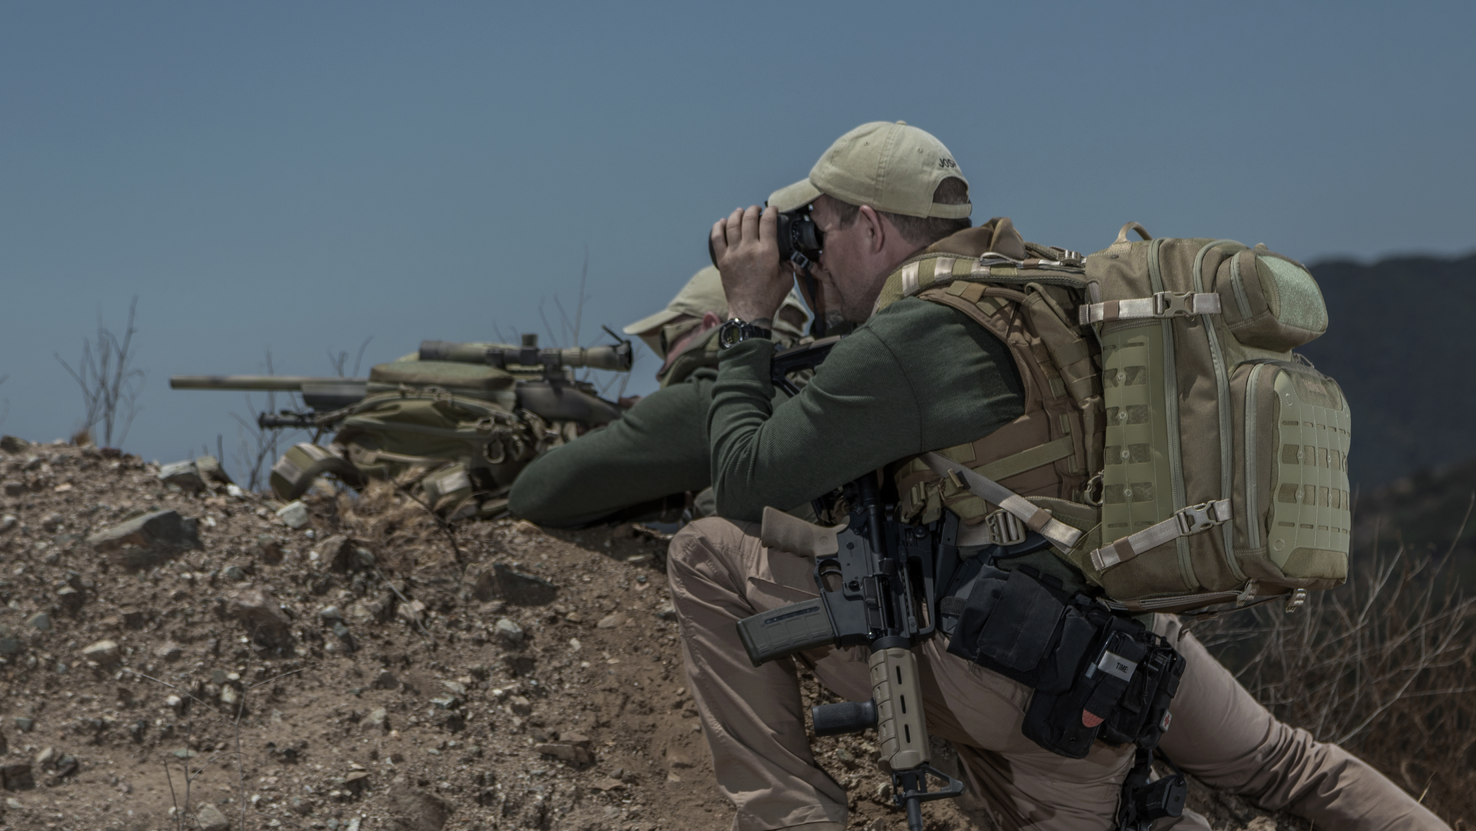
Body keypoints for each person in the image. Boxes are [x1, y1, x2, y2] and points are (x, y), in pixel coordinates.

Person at [670, 121, 1449, 831]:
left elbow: (742, 480)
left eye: (822, 230)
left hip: (1027, 677)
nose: (811, 257)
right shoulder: (1038, 290)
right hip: (1134, 625)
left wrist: (744, 318)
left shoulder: (908, 343)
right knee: (1286, 761)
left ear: (870, 225)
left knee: (706, 550)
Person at [507, 263, 810, 528]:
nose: (661, 369)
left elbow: (530, 495)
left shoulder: (708, 399)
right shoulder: (815, 381)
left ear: (709, 326)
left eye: (667, 342)